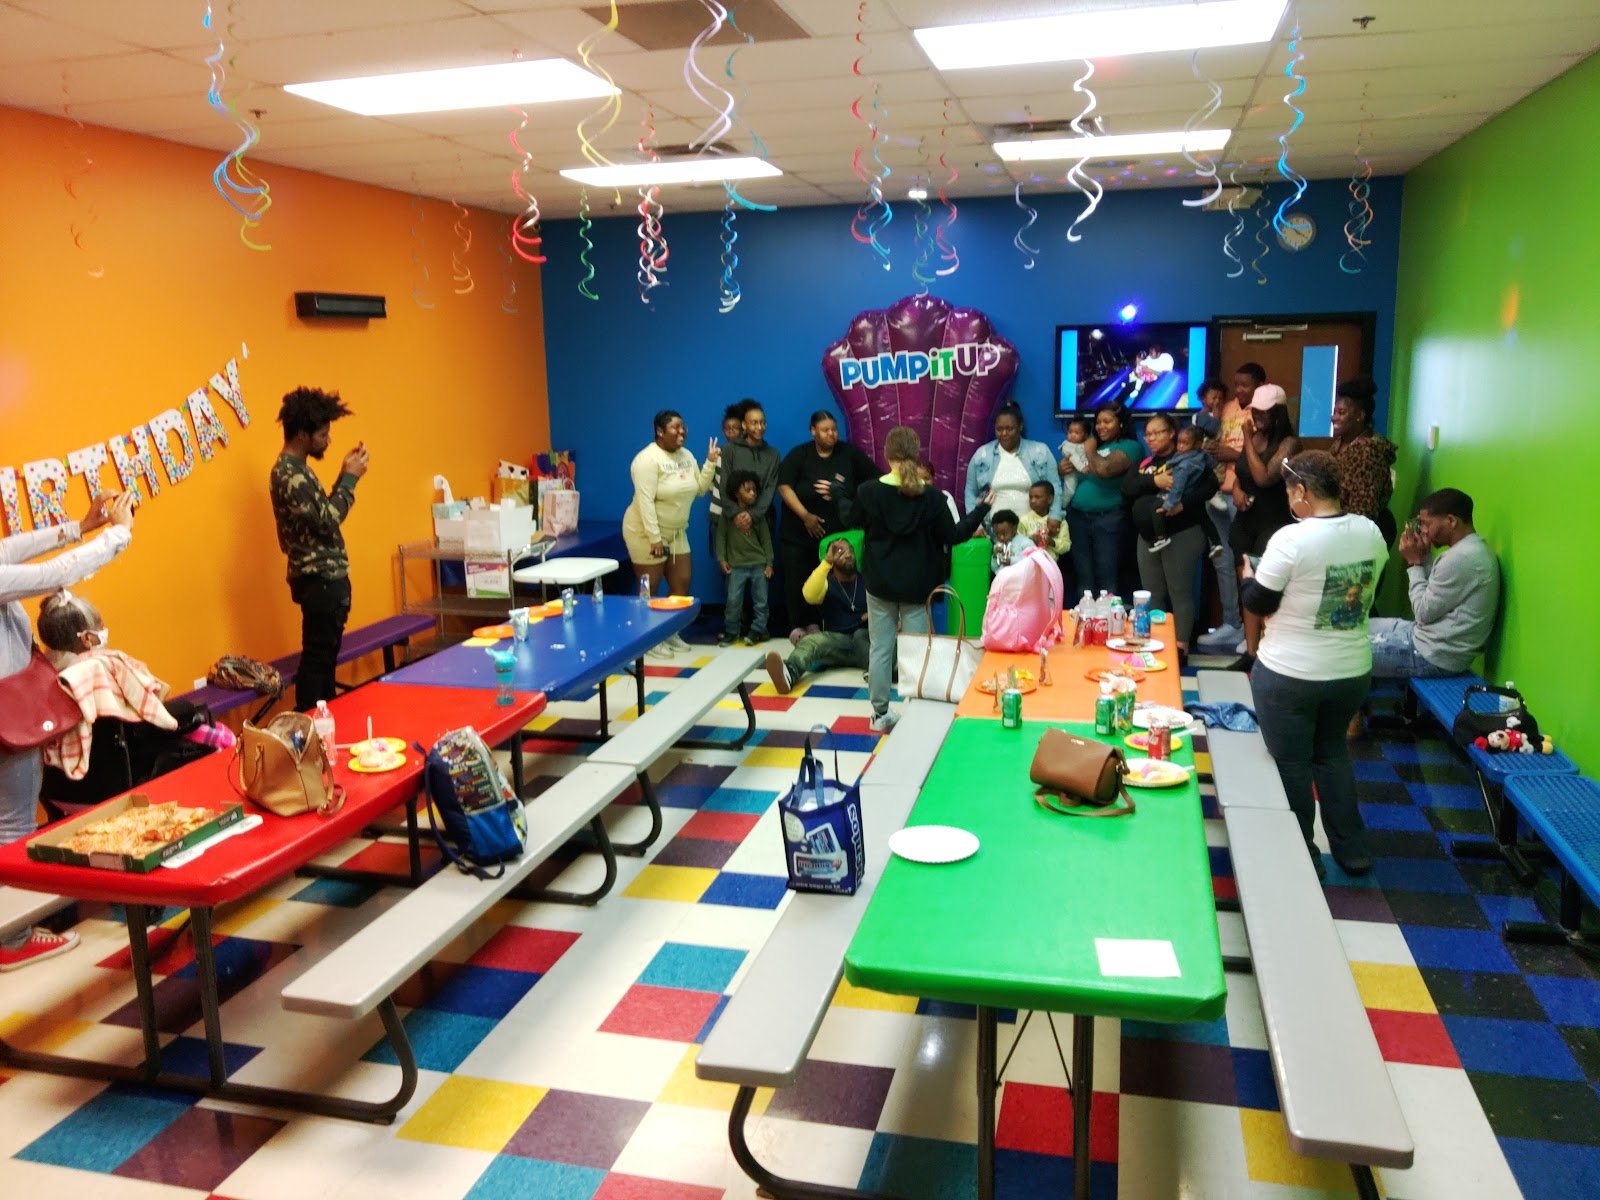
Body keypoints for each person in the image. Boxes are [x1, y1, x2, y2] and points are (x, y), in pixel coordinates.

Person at [0, 489, 136, 971]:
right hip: (7, 719)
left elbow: (11, 550)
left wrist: (80, 527)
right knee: (12, 826)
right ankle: (13, 939)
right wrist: (118, 535)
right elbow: (53, 574)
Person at [1242, 450, 1386, 878]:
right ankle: (1352, 850)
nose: (1290, 501)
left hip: (1290, 674)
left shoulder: (1291, 539)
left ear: (1302, 491)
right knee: (1332, 753)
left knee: (1292, 763)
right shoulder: (1371, 532)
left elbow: (1258, 601)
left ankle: (1301, 853)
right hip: (1350, 671)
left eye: (1290, 492)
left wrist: (1248, 576)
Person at [857, 426, 989, 733]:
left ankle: (879, 714)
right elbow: (954, 535)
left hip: (879, 583)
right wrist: (981, 509)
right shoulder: (932, 498)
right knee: (917, 649)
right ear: (916, 455)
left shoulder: (867, 492)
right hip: (918, 586)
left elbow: (852, 519)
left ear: (887, 454)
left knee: (880, 649)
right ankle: (915, 711)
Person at [36, 590, 229, 790]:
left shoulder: (43, 677)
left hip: (63, 790)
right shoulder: (102, 667)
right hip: (120, 776)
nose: (104, 630)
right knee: (196, 717)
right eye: (100, 627)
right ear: (87, 639)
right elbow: (150, 712)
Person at [269, 386, 369, 711]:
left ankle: (324, 723)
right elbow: (328, 520)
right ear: (302, 434)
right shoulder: (288, 474)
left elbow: (320, 514)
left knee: (323, 663)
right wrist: (350, 480)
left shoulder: (297, 470)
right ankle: (311, 725)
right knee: (317, 664)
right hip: (320, 581)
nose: (328, 440)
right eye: (323, 434)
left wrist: (343, 475)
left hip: (323, 580)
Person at [1370, 488, 1499, 679]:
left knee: (1339, 651)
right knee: (1358, 627)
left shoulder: (1461, 558)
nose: (1423, 530)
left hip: (1433, 657)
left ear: (1451, 521)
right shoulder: (1470, 550)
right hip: (1430, 641)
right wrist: (1424, 558)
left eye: (1426, 523)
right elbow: (1436, 591)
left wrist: (1414, 564)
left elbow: (1422, 613)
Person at [623, 409, 720, 657]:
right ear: (660, 431)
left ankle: (668, 632)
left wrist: (710, 462)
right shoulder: (647, 460)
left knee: (682, 582)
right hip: (645, 533)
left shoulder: (686, 455)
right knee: (650, 588)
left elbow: (700, 489)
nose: (682, 431)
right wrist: (655, 538)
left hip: (677, 532)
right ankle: (647, 639)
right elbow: (645, 501)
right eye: (676, 427)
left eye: (683, 426)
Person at [777, 409, 878, 640]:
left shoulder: (849, 453)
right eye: (825, 430)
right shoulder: (800, 454)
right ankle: (797, 627)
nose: (831, 434)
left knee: (829, 584)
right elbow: (784, 486)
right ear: (813, 431)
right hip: (798, 536)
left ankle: (820, 626)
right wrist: (805, 515)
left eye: (834, 429)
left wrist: (846, 497)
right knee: (797, 580)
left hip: (835, 537)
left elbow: (874, 479)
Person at [1122, 414, 1219, 650]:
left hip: (1181, 534)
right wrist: (1155, 482)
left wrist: (1182, 504)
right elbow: (1127, 488)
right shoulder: (1144, 463)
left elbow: (1210, 485)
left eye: (1158, 432)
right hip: (1147, 537)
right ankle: (1155, 643)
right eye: (1148, 434)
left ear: (1172, 433)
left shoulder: (1188, 458)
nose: (1151, 438)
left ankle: (1180, 647)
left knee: (1179, 592)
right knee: (1151, 594)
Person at [1230, 383, 1301, 659]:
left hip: (1273, 523)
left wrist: (1247, 439)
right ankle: (1250, 652)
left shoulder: (1289, 443)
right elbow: (1243, 475)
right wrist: (1236, 490)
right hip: (1246, 522)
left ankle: (1268, 653)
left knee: (1266, 588)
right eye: (1255, 411)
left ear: (1278, 413)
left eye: (1264, 412)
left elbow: (1264, 477)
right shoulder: (1256, 437)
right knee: (1247, 587)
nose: (1257, 417)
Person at [1195, 365, 1260, 652]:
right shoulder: (1228, 408)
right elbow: (1208, 431)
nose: (1239, 390)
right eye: (1237, 384)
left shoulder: (1263, 412)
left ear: (1260, 385)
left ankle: (1253, 632)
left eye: (1246, 385)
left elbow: (1265, 457)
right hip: (1216, 491)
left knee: (1247, 561)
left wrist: (1232, 454)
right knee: (1221, 559)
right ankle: (1232, 624)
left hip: (1244, 495)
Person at [763, 535, 869, 694]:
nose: (847, 555)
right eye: (840, 551)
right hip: (838, 643)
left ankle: (883, 669)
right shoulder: (827, 583)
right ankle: (788, 674)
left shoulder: (867, 580)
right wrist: (826, 563)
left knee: (863, 636)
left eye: (850, 551)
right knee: (811, 640)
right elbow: (809, 594)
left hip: (867, 641)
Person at [1061, 403, 1141, 595]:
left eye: (1107, 421)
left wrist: (1089, 448)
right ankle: (1085, 614)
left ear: (1121, 423)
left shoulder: (1130, 446)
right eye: (1098, 422)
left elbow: (1105, 469)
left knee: (1107, 578)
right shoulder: (1096, 446)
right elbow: (1076, 473)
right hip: (1078, 518)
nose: (1100, 427)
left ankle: (1108, 615)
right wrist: (1062, 469)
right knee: (1083, 578)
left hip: (1109, 520)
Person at [964, 403, 1062, 529]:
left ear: (1020, 427)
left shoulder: (1040, 452)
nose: (1004, 433)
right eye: (999, 429)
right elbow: (970, 492)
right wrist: (974, 525)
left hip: (1034, 531)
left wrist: (1055, 515)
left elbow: (1055, 486)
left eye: (1010, 429)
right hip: (994, 532)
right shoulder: (982, 455)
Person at [1330, 377, 1398, 545]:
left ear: (1360, 416)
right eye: (1335, 412)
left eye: (1341, 413)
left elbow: (1364, 511)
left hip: (1360, 536)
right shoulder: (1341, 442)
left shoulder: (1368, 452)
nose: (1334, 417)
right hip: (1342, 528)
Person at [717, 470, 774, 647]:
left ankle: (758, 629)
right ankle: (731, 631)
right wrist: (722, 559)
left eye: (755, 490)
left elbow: (766, 540)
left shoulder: (757, 516)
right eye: (748, 490)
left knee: (761, 601)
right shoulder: (727, 515)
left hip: (758, 564)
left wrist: (769, 563)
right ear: (736, 493)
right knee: (733, 601)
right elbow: (721, 538)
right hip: (736, 566)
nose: (753, 494)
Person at [1147, 424, 1216, 554]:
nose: (1180, 446)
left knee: (1155, 508)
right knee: (1204, 516)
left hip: (1181, 495)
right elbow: (1212, 463)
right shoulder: (1200, 455)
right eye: (1179, 442)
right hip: (1190, 494)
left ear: (1197, 444)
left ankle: (1161, 537)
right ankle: (1216, 543)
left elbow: (1177, 487)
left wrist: (1169, 504)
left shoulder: (1183, 466)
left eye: (1185, 443)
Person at [706, 403, 747, 559]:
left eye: (735, 428)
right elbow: (708, 484)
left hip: (742, 517)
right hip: (718, 517)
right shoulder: (716, 454)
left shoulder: (748, 455)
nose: (730, 431)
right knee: (723, 562)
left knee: (742, 561)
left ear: (743, 430)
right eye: (727, 428)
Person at [1019, 481, 1071, 559]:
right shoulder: (1024, 520)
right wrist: (1030, 540)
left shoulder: (1060, 522)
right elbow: (1018, 543)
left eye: (1037, 497)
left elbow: (1066, 546)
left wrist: (1052, 542)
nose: (1033, 501)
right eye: (1031, 497)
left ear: (1049, 499)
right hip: (1029, 562)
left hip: (1051, 563)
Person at [1055, 416, 1092, 508]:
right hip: (1072, 473)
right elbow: (1073, 458)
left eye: (1076, 433)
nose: (1072, 435)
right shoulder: (1067, 445)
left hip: (1084, 472)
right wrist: (1082, 467)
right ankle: (1062, 506)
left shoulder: (1088, 444)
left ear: (1086, 435)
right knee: (1070, 491)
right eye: (1070, 432)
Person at [988, 509, 1029, 574]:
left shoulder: (1025, 542)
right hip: (1002, 578)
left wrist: (1010, 561)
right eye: (997, 534)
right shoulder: (998, 546)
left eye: (1004, 533)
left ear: (1014, 529)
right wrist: (995, 555)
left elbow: (1031, 562)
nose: (1001, 537)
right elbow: (994, 568)